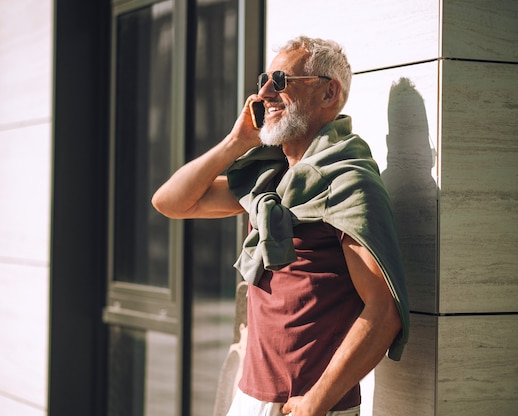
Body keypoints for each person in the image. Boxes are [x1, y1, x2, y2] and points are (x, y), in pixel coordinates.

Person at [152, 36, 409, 416]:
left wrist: (315, 404)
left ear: (328, 93)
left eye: (281, 81)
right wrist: (236, 141)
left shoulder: (347, 182)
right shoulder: (269, 181)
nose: (265, 93)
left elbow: (384, 311)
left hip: (305, 405)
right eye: (263, 81)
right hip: (252, 395)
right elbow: (170, 202)